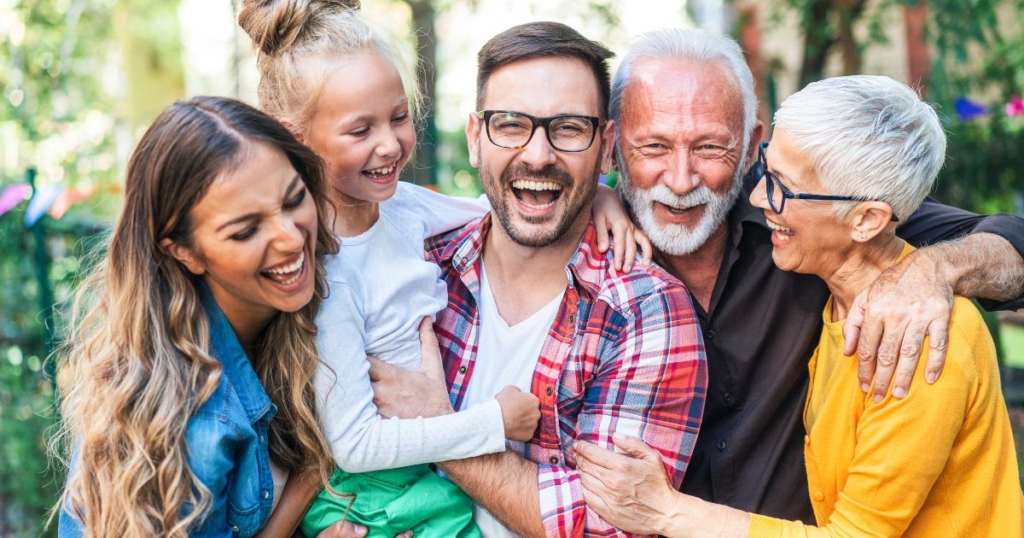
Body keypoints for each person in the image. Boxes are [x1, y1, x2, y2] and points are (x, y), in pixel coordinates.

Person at [237, 4, 649, 537]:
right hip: (370, 494)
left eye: (399, 116)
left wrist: (600, 194)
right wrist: (492, 424)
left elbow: (504, 207)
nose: (390, 144)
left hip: (422, 474)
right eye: (360, 130)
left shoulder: (403, 208)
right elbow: (355, 444)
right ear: (297, 138)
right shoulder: (329, 273)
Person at [601, 28, 1024, 522]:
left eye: (710, 147)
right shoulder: (587, 252)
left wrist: (935, 266)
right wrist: (595, 194)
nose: (679, 179)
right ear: (613, 147)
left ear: (748, 145)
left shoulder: (820, 219)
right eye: (652, 146)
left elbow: (1006, 241)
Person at [367, 21, 708, 537]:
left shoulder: (645, 310)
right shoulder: (414, 268)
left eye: (569, 127)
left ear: (606, 144)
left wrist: (435, 427)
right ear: (476, 138)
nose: (538, 154)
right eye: (510, 124)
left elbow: (604, 527)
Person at [52, 96, 339, 537]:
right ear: (184, 252)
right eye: (245, 230)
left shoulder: (303, 302)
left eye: (293, 198)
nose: (289, 238)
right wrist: (306, 483)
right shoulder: (195, 422)